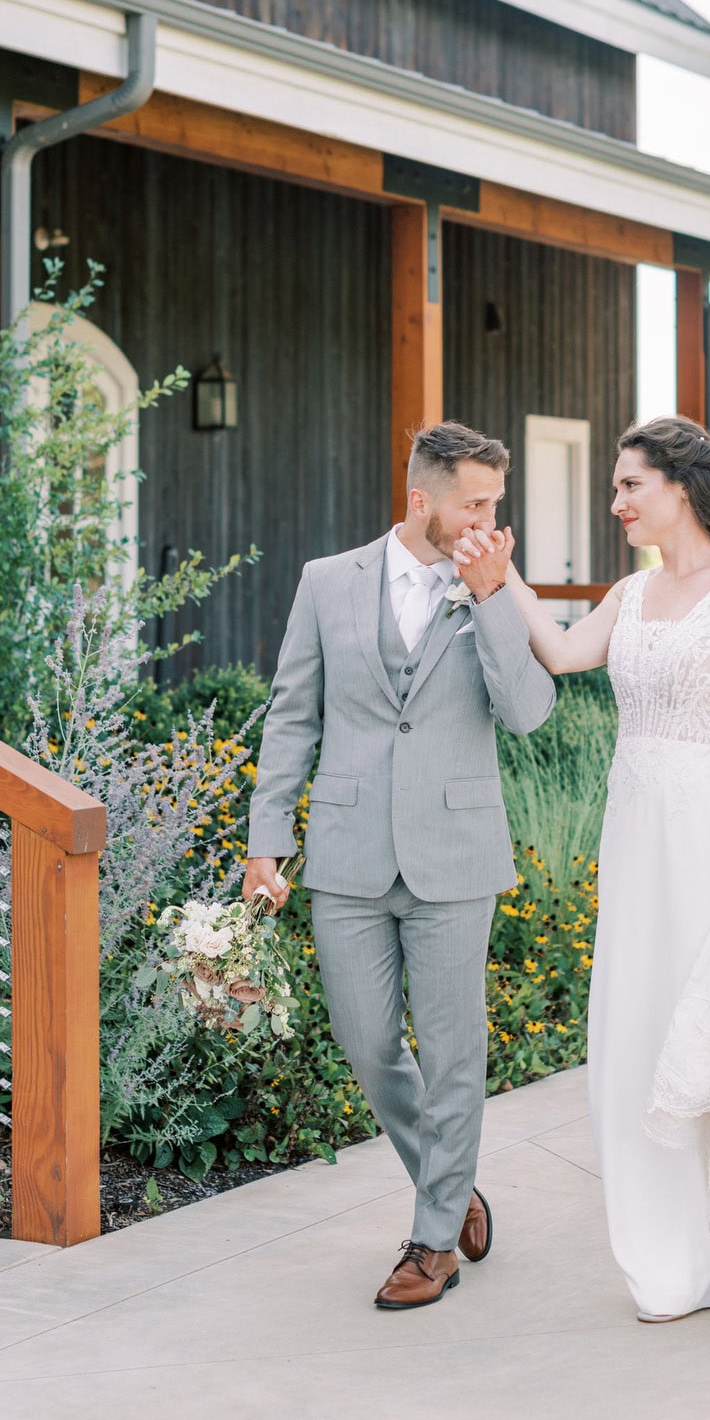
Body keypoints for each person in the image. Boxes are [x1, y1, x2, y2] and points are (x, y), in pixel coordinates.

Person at [455, 415, 710, 1322]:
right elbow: (564, 653)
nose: (616, 502)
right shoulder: (632, 594)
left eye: (630, 485)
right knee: (637, 1027)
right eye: (615, 486)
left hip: (709, 839)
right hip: (636, 835)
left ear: (680, 487)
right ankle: (666, 1263)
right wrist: (502, 578)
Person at [245, 421, 553, 1311]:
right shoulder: (327, 582)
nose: (490, 521)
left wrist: (492, 600)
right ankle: (451, 1187)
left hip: (455, 854)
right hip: (347, 854)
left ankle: (432, 1240)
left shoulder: (497, 585)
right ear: (422, 501)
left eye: (496, 502)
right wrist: (267, 838)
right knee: (369, 1043)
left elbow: (528, 712)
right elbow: (292, 715)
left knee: (453, 1054)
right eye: (475, 503)